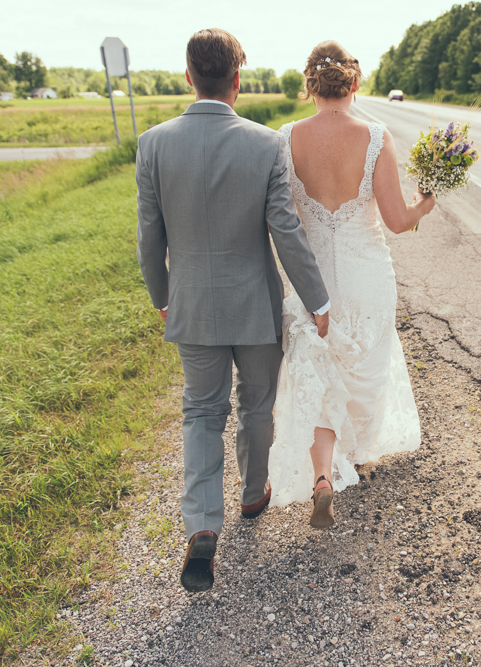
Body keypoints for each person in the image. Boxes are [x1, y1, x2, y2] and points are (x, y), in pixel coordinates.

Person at [135, 29, 330, 593]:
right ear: (238, 81)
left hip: (192, 302)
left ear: (189, 75)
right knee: (256, 404)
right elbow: (285, 230)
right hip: (256, 306)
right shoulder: (266, 144)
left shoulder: (153, 143)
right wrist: (316, 298)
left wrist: (162, 294)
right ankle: (252, 493)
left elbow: (150, 236)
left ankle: (201, 525)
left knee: (201, 411)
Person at [268, 41, 435, 528]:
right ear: (354, 84)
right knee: (361, 366)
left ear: (309, 86)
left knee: (317, 368)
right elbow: (398, 221)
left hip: (312, 276)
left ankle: (323, 474)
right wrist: (426, 202)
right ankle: (354, 456)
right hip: (366, 275)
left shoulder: (286, 139)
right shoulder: (377, 136)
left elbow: (283, 217)